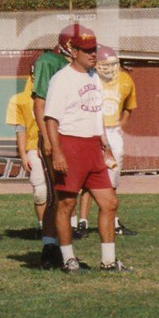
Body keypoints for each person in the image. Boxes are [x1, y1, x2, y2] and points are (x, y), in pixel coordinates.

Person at [42, 26, 131, 274]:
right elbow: (51, 119)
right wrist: (57, 152)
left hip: (92, 146)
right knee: (66, 204)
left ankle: (109, 261)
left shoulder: (94, 77)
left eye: (95, 50)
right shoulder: (61, 79)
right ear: (73, 50)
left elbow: (97, 114)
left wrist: (105, 145)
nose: (93, 54)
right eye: (88, 50)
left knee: (110, 202)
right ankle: (69, 258)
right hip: (70, 144)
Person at [29, 22, 82, 269]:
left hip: (74, 136)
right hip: (56, 136)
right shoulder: (49, 61)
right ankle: (51, 247)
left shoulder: (78, 66)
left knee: (69, 194)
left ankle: (61, 248)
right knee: (56, 195)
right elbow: (39, 103)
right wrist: (47, 139)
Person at [75, 45, 137, 238]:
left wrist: (121, 124)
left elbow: (129, 107)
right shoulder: (90, 79)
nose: (110, 69)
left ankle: (114, 221)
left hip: (113, 132)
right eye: (106, 64)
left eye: (113, 64)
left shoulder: (125, 80)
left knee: (113, 179)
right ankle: (83, 222)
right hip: (92, 132)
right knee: (89, 178)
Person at [5, 84, 48, 234]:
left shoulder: (59, 91)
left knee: (62, 189)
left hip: (59, 147)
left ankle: (69, 225)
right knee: (40, 190)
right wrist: (23, 155)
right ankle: (43, 226)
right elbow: (20, 129)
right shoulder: (21, 99)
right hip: (34, 147)